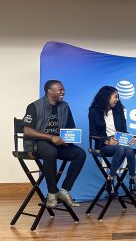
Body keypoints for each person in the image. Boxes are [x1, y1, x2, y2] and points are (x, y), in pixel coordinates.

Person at [22, 80, 86, 208]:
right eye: (60, 89)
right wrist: (51, 137)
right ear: (50, 91)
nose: (63, 91)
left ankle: (64, 190)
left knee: (80, 153)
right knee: (51, 151)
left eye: (63, 89)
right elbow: (26, 130)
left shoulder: (64, 106)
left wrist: (68, 139)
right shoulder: (35, 106)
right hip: (37, 143)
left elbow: (70, 128)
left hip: (58, 144)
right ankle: (52, 192)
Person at [88, 86, 136, 195]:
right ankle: (111, 180)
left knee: (129, 151)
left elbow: (124, 131)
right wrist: (106, 141)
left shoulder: (119, 110)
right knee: (121, 149)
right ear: (106, 97)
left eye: (118, 97)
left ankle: (132, 180)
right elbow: (93, 133)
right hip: (104, 145)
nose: (117, 100)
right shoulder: (94, 111)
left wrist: (130, 138)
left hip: (120, 143)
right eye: (115, 97)